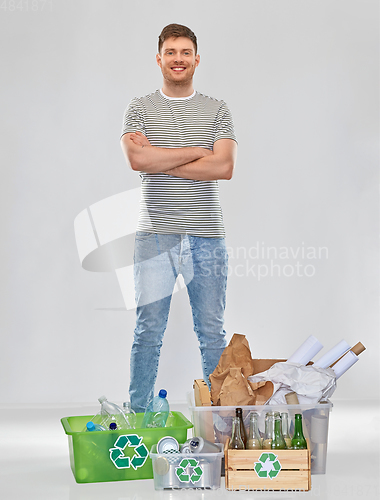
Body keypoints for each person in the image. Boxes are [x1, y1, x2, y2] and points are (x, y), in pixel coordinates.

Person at [120, 23, 237, 412]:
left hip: (207, 235)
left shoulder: (217, 109)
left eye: (185, 53)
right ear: (159, 59)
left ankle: (221, 422)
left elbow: (224, 167)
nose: (178, 59)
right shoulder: (139, 107)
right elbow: (137, 159)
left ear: (196, 59)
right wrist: (195, 152)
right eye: (171, 52)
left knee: (211, 333)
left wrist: (162, 158)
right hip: (155, 235)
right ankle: (138, 415)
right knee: (148, 331)